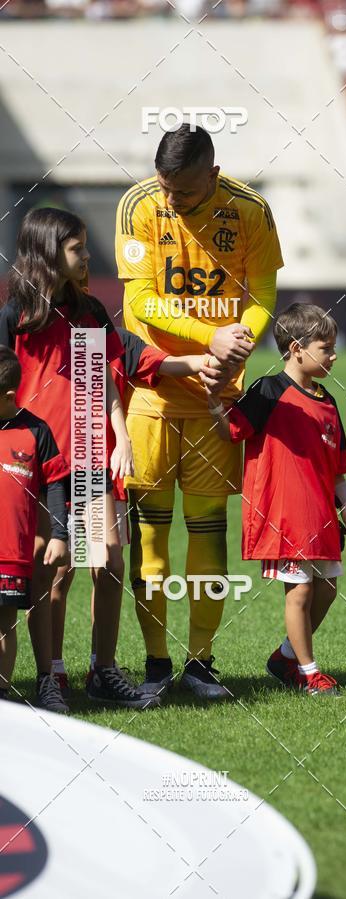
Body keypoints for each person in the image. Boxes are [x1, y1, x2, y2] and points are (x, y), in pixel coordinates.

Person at [115, 124, 284, 700]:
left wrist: (240, 341)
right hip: (153, 395)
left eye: (184, 192)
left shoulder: (250, 210)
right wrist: (209, 336)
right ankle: (157, 664)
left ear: (212, 175)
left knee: (209, 531)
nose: (172, 200)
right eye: (166, 187)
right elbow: (138, 300)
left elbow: (262, 291)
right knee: (152, 539)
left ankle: (202, 662)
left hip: (217, 399)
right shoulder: (139, 205)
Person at [0, 207, 158, 710]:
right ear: (49, 252)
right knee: (51, 569)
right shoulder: (12, 319)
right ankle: (51, 676)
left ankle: (102, 671)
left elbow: (108, 374)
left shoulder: (90, 311)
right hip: (37, 465)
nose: (88, 255)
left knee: (108, 562)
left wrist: (121, 435)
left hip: (90, 456)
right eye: (77, 247)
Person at [49, 327, 218, 697]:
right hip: (53, 468)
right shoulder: (39, 332)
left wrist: (207, 358)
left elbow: (158, 363)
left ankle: (99, 670)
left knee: (102, 567)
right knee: (59, 574)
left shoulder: (103, 333)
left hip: (96, 472)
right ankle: (53, 671)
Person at [205, 303, 346, 695]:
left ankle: (285, 656)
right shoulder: (268, 390)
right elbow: (232, 431)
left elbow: (337, 471)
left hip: (321, 516)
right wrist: (211, 401)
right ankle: (309, 673)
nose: (333, 355)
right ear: (296, 348)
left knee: (327, 589)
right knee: (301, 591)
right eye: (325, 348)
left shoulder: (328, 402)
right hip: (284, 515)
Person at [0, 346, 70, 709]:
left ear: (9, 397)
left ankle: (4, 699)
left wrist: (60, 534)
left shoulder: (36, 431)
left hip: (11, 554)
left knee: (3, 624)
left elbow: (57, 484)